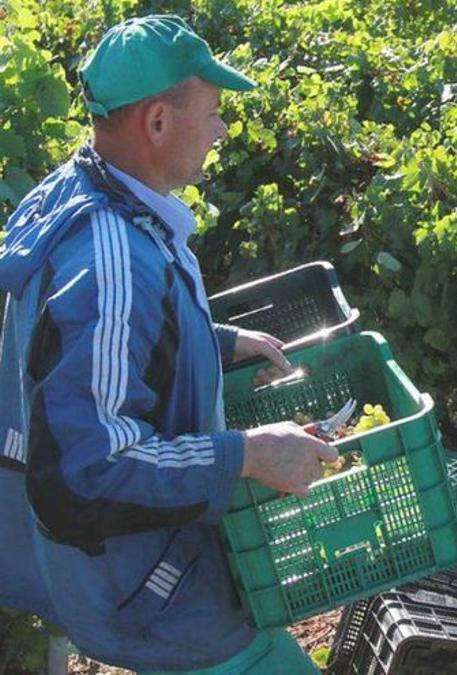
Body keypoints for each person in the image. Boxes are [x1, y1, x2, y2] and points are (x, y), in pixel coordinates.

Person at [0, 15, 339, 672]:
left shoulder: (83, 186)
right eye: (211, 113)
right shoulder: (112, 263)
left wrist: (213, 340)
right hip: (137, 584)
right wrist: (245, 453)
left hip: (76, 561)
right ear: (156, 124)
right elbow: (88, 472)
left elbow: (80, 346)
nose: (221, 130)